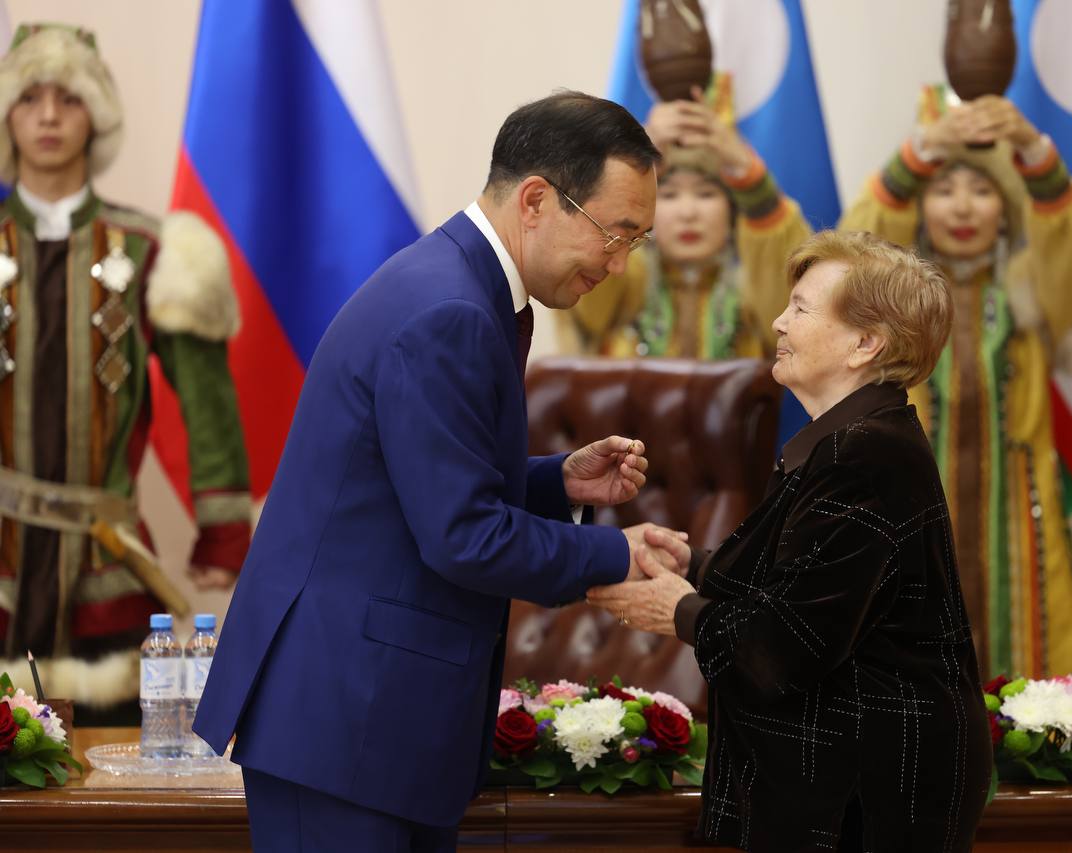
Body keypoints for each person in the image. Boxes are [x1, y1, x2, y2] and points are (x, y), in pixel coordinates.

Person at [194, 91, 690, 851]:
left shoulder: (456, 285)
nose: (620, 265)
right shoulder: (449, 310)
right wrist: (615, 554)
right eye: (614, 233)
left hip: (374, 721)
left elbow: (411, 483)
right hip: (345, 720)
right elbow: (463, 536)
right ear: (536, 200)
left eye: (637, 240)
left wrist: (556, 482)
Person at [590, 231, 992, 852]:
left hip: (869, 800)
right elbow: (811, 586)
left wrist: (679, 610)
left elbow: (787, 647)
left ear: (865, 344)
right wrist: (695, 566)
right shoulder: (852, 440)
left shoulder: (864, 454)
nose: (778, 322)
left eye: (801, 309)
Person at [0, 23, 250, 723]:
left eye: (70, 98)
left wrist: (223, 531)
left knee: (107, 764)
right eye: (30, 98)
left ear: (98, 115)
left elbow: (208, 402)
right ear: (8, 115)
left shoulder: (152, 250)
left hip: (107, 574)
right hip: (3, 572)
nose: (49, 116)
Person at [839, 88, 1072, 678]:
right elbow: (850, 256)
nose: (963, 208)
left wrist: (1033, 150)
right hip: (904, 513)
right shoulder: (892, 304)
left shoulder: (1033, 290)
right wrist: (921, 151)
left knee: (1032, 697)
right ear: (920, 206)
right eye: (944, 190)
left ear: (1007, 209)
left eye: (982, 190)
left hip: (1019, 520)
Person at [563, 94, 808, 359]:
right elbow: (588, 251)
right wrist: (630, 161)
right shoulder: (624, 286)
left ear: (731, 212)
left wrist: (747, 174)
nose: (688, 213)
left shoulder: (754, 296)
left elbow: (793, 284)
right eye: (669, 195)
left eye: (705, 194)